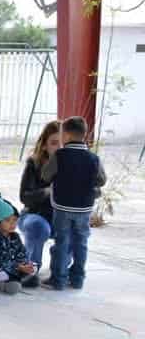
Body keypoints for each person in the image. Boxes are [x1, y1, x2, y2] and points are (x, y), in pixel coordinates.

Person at [41, 116, 106, 290]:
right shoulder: (93, 158)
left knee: (62, 242)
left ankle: (58, 280)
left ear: (67, 135)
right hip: (84, 208)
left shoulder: (59, 155)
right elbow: (101, 180)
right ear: (83, 135)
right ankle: (77, 279)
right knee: (81, 242)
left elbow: (46, 175)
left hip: (62, 207)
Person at [19, 120, 61, 273]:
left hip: (62, 219)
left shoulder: (74, 165)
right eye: (54, 143)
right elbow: (24, 197)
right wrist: (47, 191)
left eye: (63, 142)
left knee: (76, 228)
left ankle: (61, 267)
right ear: (44, 145)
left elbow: (96, 188)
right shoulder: (34, 164)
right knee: (38, 226)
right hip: (35, 215)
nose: (60, 147)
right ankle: (31, 268)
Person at [0, 193, 39, 294]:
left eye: (15, 220)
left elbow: (21, 253)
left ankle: (16, 280)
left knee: (34, 270)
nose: (12, 224)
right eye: (8, 221)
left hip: (13, 267)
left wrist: (25, 264)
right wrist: (18, 267)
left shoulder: (15, 236)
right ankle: (5, 284)